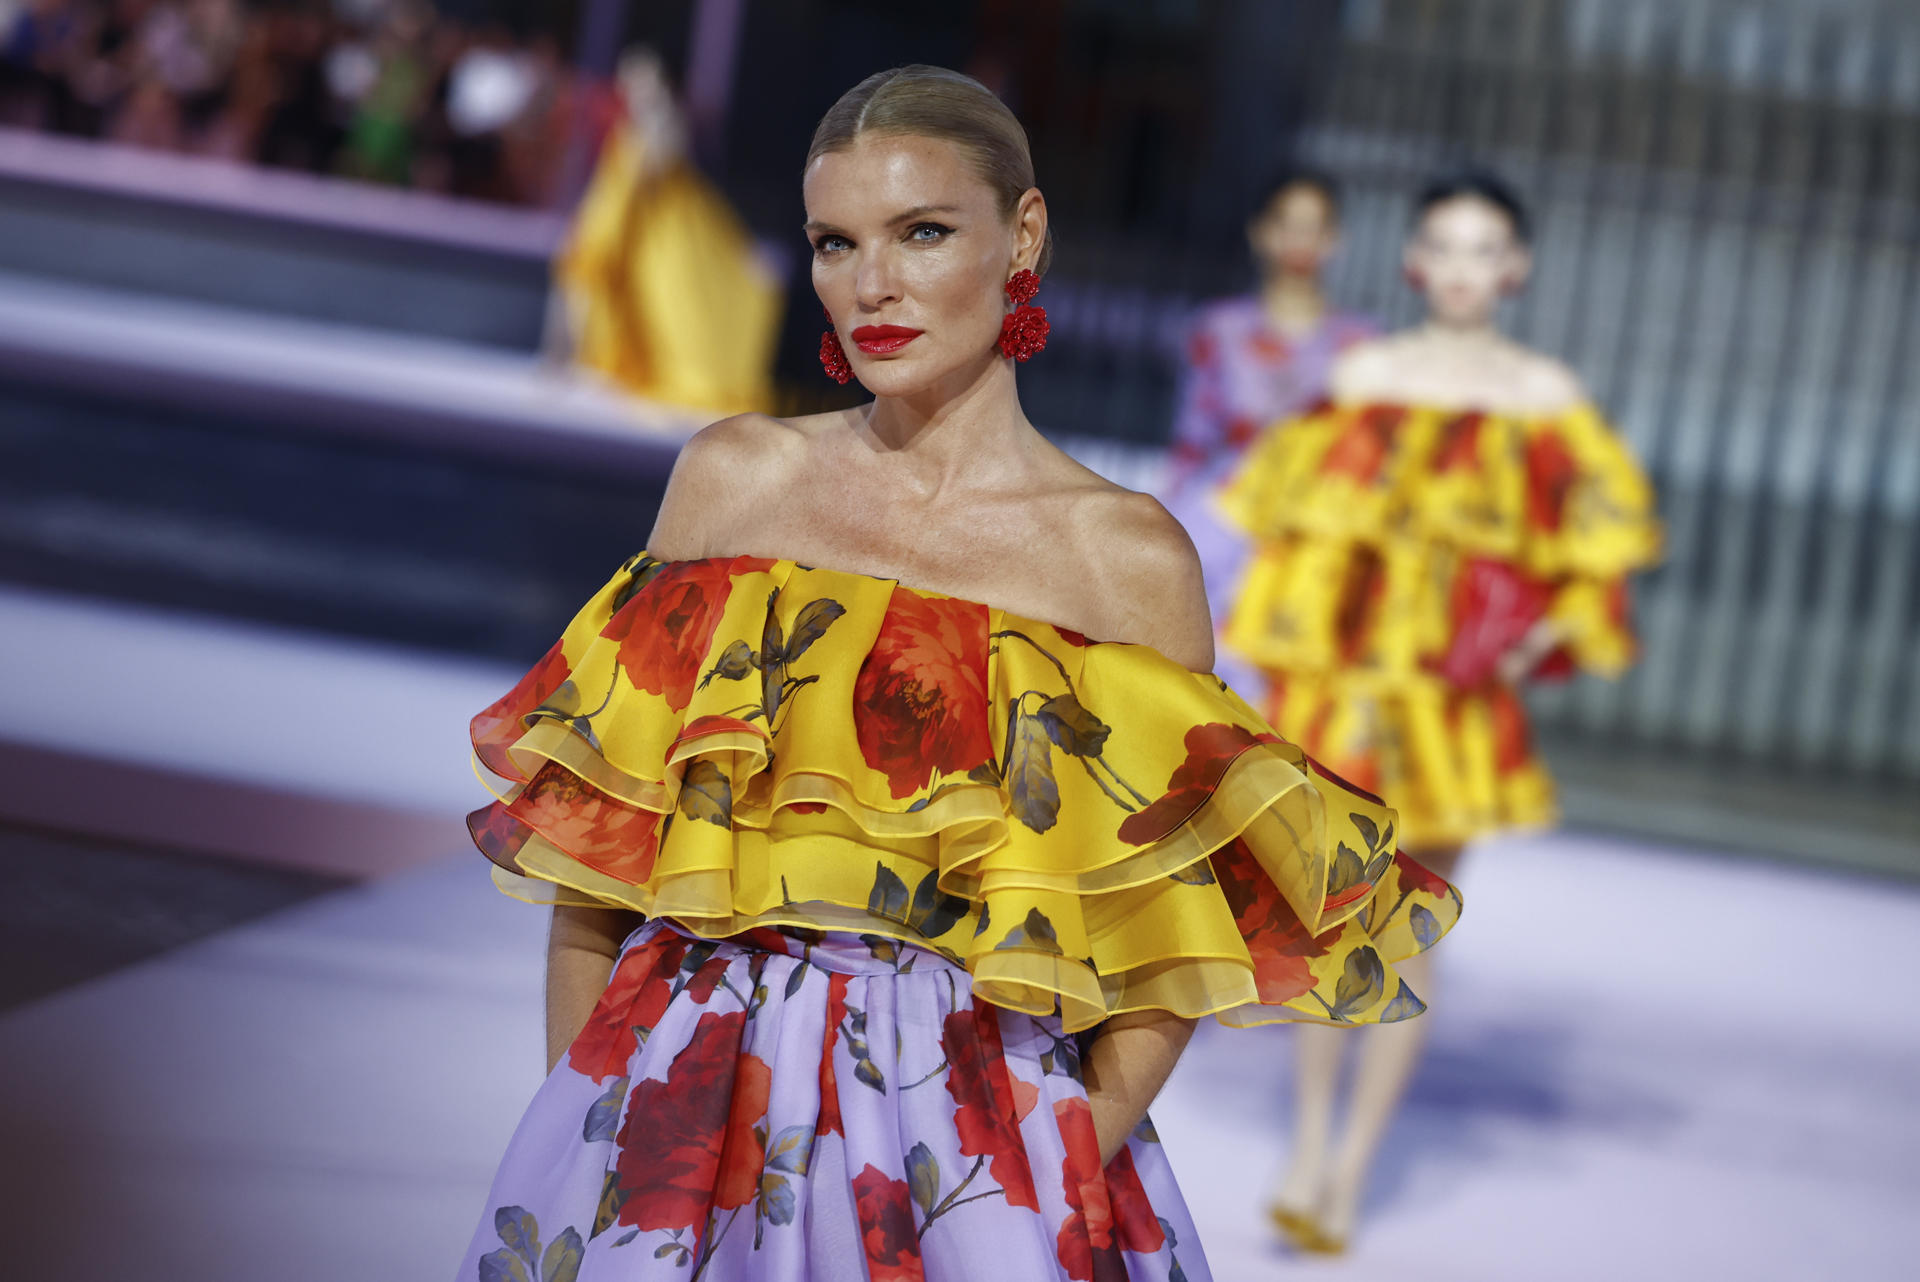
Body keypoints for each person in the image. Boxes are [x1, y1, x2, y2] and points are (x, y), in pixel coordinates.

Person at [456, 66, 1460, 1282]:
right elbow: (599, 860)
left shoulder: (1122, 561)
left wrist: (1049, 1164)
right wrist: (590, 1113)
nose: (869, 283)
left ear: (1022, 235)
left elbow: (1169, 940)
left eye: (922, 232)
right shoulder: (735, 483)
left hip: (980, 1142)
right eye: (837, 242)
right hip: (678, 1107)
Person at [1218, 168, 1660, 1254]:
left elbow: (1595, 544)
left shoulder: (1546, 397)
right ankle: (1309, 1148)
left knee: (1416, 934)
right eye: (1445, 247)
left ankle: (1350, 1172)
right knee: (1340, 919)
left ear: (1516, 268)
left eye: (1484, 249)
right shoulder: (1367, 375)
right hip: (1354, 689)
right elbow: (1297, 524)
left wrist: (1544, 629)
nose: (1463, 268)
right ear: (1416, 262)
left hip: (1458, 703)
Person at [1161, 169, 1377, 702]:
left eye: (1316, 227)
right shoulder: (1219, 329)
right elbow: (1193, 437)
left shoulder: (1364, 345)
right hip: (1223, 524)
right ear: (1260, 232)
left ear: (1336, 239)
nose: (1300, 241)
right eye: (1287, 224)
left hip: (1312, 532)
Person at [547, 47, 781, 416]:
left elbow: (653, 170)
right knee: (588, 282)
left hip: (655, 231)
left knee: (661, 302)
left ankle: (586, 361)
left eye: (641, 77)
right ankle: (577, 360)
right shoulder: (635, 123)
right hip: (625, 226)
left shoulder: (663, 120)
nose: (632, 85)